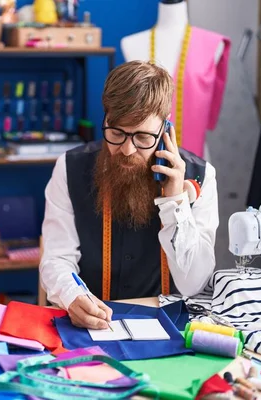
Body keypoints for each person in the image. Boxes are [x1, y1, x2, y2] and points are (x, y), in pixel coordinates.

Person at [39, 61, 219, 330]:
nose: (126, 149)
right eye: (116, 133)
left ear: (165, 127)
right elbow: (56, 259)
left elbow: (194, 283)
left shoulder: (201, 175)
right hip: (92, 326)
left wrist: (175, 204)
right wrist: (72, 296)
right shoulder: (70, 167)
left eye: (143, 137)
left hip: (169, 327)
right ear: (106, 117)